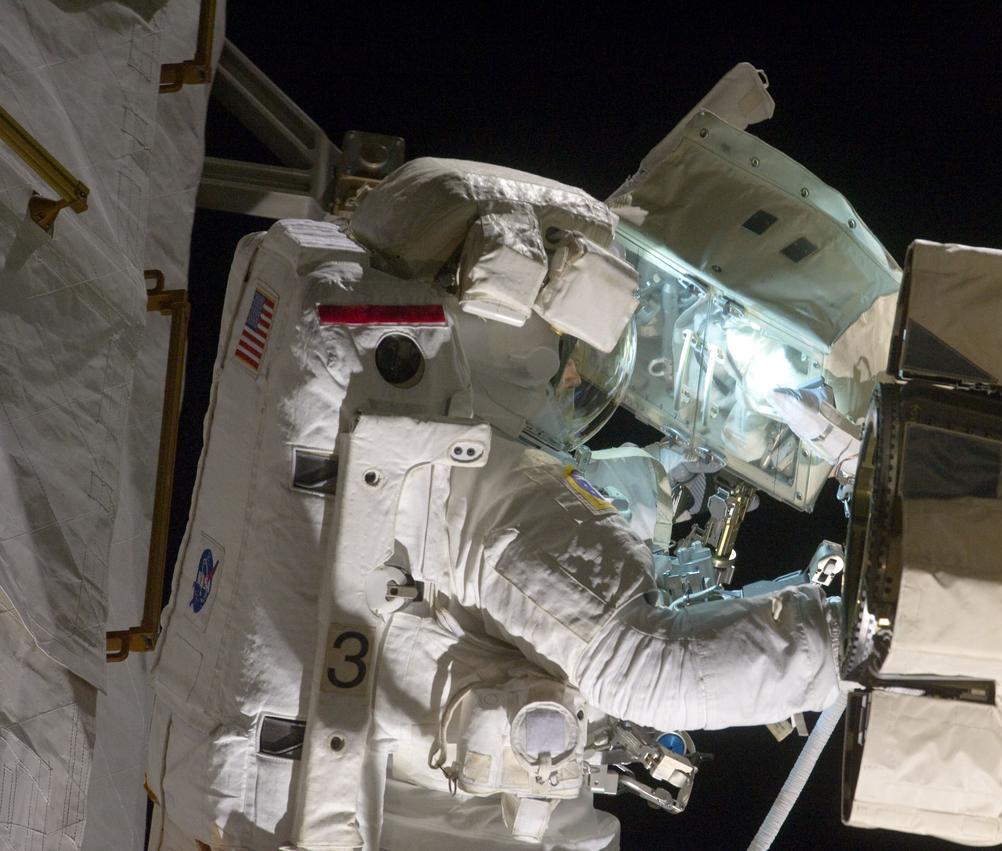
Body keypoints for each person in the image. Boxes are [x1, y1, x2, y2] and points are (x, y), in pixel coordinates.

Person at [144, 158, 843, 851]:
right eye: (566, 352)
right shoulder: (484, 482)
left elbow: (491, 545)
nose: (567, 375)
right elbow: (651, 667)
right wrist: (859, 639)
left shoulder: (359, 409)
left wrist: (651, 476)